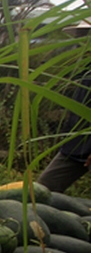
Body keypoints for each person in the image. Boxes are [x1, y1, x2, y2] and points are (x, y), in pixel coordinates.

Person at [39, 19, 91, 192]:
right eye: (83, 36)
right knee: (43, 189)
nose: (84, 41)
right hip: (75, 147)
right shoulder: (86, 69)